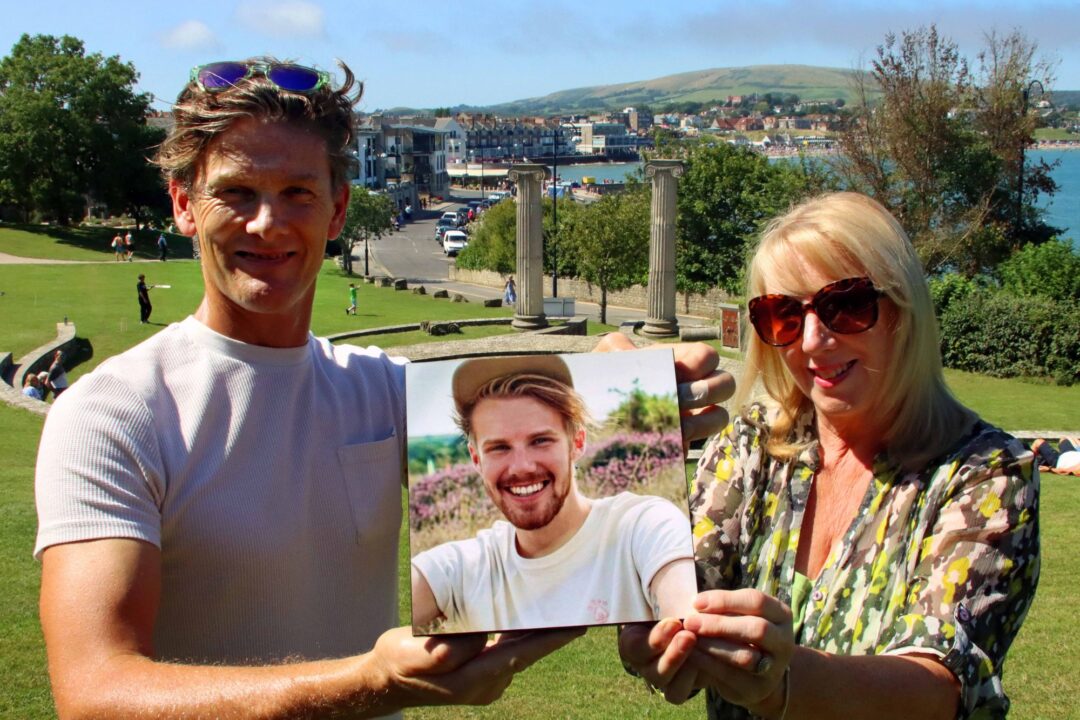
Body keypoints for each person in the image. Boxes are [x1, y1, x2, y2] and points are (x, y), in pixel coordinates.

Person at [34, 57, 732, 719]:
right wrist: (368, 681)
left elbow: (536, 450)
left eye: (298, 194)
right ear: (185, 205)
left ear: (337, 214)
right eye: (236, 193)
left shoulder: (382, 393)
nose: (268, 223)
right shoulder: (111, 415)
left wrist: (624, 382)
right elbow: (94, 692)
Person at [619, 192, 1040, 719]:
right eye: (783, 315)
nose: (814, 341)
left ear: (903, 311)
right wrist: (614, 428)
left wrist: (781, 683)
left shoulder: (985, 473)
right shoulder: (753, 448)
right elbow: (670, 588)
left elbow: (940, 683)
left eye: (845, 306)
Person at [411, 355, 696, 634]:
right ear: (476, 459)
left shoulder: (643, 525)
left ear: (577, 442)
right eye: (499, 447)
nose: (522, 467)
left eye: (540, 441)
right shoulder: (463, 567)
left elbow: (682, 602)